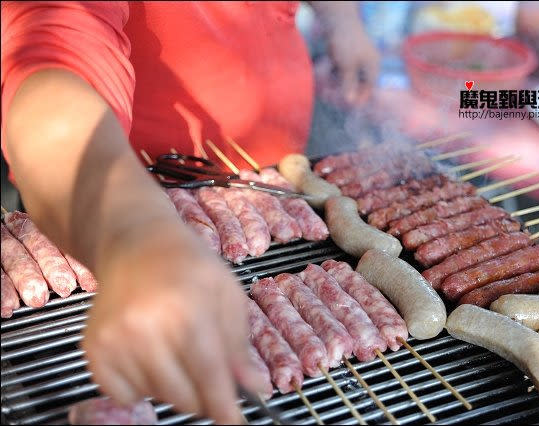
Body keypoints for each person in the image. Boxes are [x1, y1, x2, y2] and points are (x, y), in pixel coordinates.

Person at [0, 2, 379, 423]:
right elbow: (54, 58)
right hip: (120, 199)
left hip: (270, 179)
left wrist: (342, 20)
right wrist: (133, 234)